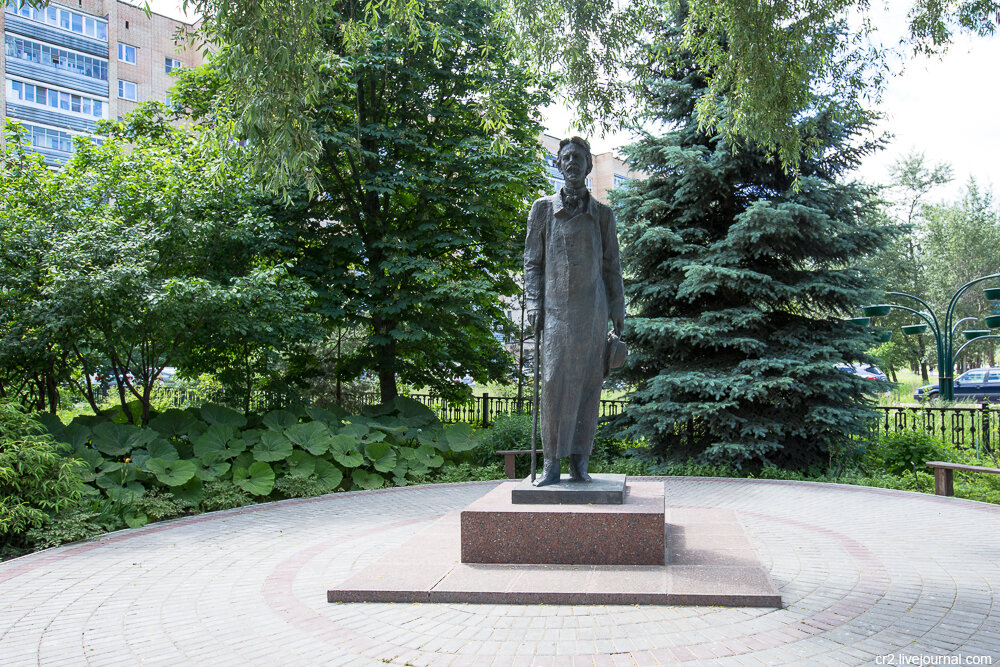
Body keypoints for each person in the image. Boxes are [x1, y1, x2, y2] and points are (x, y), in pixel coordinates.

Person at [524, 136, 625, 486]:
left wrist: (618, 310)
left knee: (589, 386)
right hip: (555, 313)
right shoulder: (542, 210)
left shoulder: (603, 215)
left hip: (593, 314)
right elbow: (532, 263)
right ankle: (552, 463)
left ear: (588, 166)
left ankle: (579, 462)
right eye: (565, 157)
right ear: (558, 164)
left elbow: (612, 266)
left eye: (578, 158)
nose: (571, 163)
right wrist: (534, 303)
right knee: (553, 385)